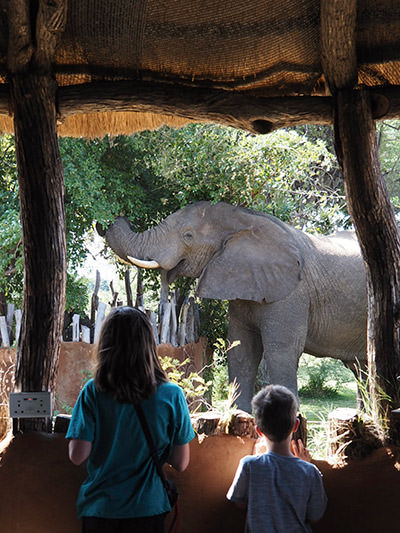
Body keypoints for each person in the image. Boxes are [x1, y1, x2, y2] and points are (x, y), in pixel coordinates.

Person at [66, 306, 195, 533]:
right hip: (148, 508)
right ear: (148, 344)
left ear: (106, 344)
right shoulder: (172, 394)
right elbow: (181, 463)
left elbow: (77, 456)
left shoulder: (93, 392)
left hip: (101, 508)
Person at [227, 384, 327, 533]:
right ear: (295, 425)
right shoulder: (309, 471)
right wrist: (304, 465)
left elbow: (238, 503)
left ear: (259, 431)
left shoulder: (249, 465)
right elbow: (315, 517)